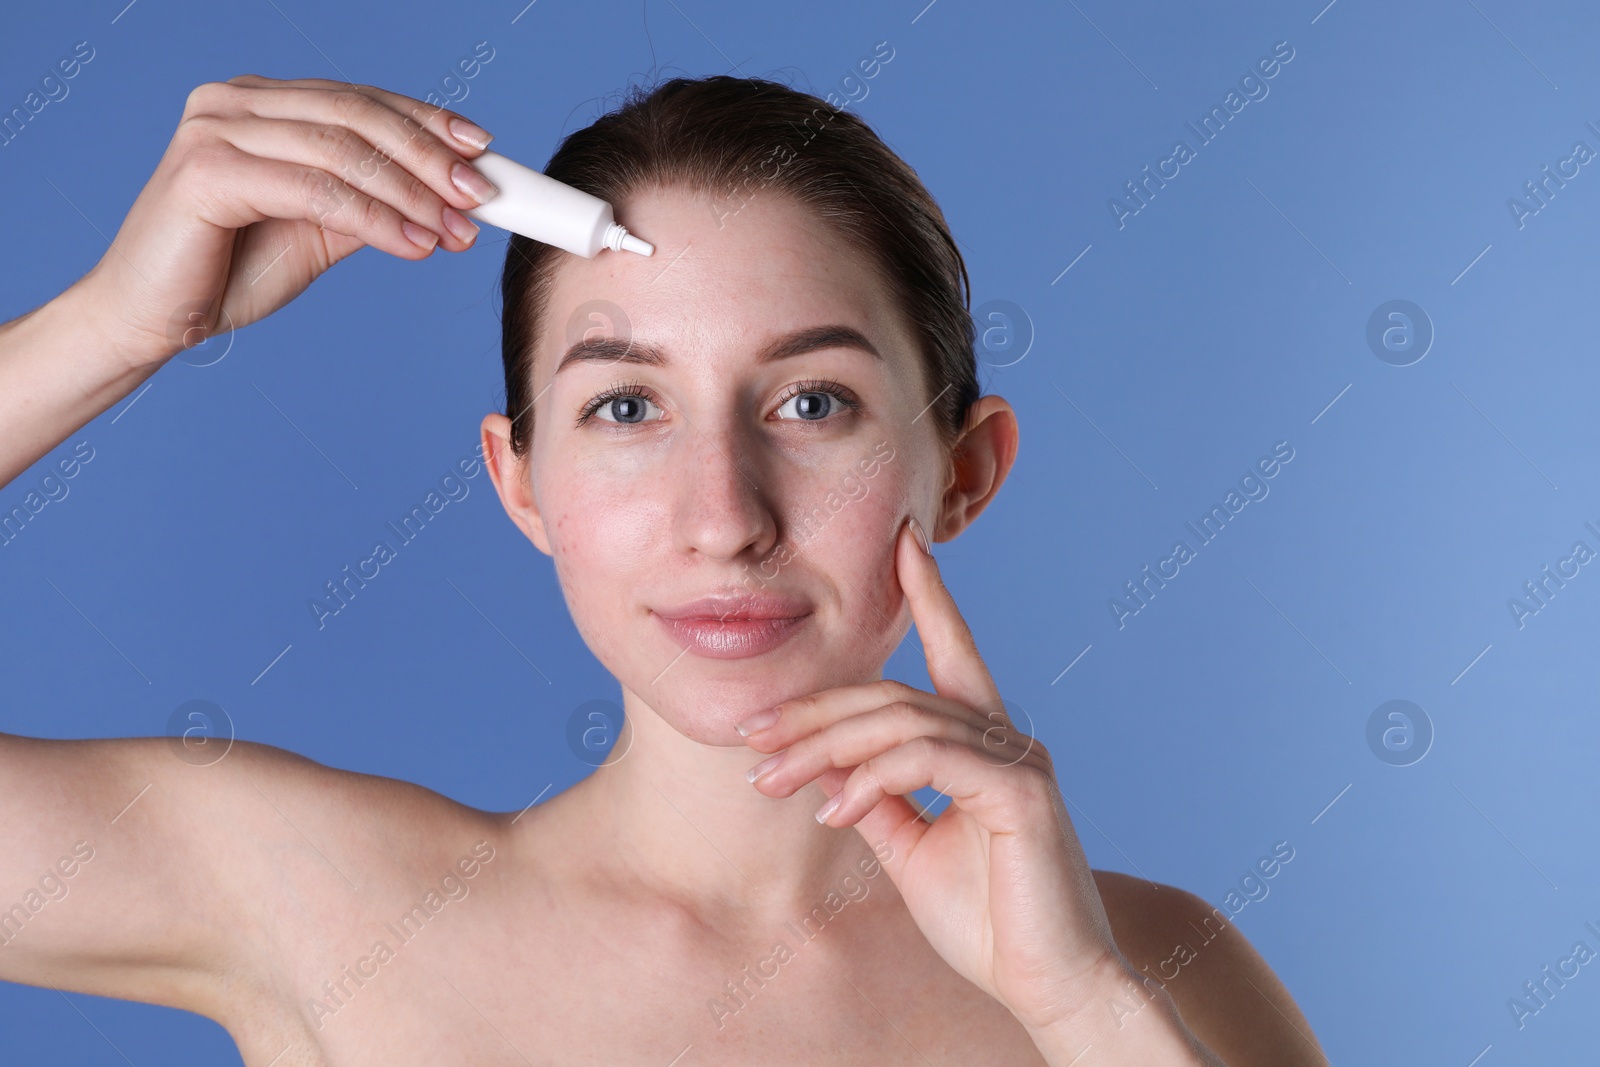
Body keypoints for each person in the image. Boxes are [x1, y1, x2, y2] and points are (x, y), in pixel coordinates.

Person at [0, 73, 1325, 1065]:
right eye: (626, 408)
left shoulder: (1161, 971)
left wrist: (1076, 1007)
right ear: (523, 481)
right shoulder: (317, 904)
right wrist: (111, 328)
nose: (722, 516)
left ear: (964, 472)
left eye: (814, 403)